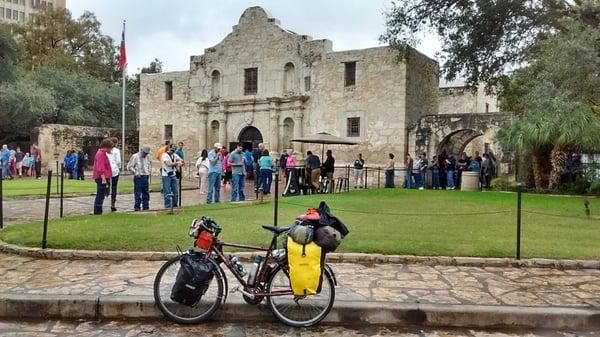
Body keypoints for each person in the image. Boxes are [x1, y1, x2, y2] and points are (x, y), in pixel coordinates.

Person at [92, 139, 114, 215]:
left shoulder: (103, 153)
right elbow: (100, 168)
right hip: (101, 178)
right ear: (106, 147)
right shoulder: (100, 154)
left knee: (102, 195)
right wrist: (104, 179)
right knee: (100, 195)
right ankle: (97, 211)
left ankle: (99, 210)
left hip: (104, 176)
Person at [127, 146, 152, 211]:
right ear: (141, 150)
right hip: (139, 177)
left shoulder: (148, 157)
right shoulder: (135, 156)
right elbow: (130, 166)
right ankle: (137, 207)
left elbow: (149, 165)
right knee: (138, 193)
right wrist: (135, 172)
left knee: (146, 193)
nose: (145, 154)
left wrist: (149, 171)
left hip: (145, 176)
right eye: (144, 153)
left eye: (146, 153)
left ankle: (146, 207)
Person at [161, 144, 183, 208]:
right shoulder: (165, 155)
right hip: (166, 175)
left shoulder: (175, 155)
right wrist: (177, 163)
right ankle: (167, 205)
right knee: (167, 191)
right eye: (172, 150)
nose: (172, 151)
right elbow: (168, 164)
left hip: (173, 174)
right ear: (169, 148)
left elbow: (181, 160)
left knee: (175, 190)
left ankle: (175, 204)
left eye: (174, 150)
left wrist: (180, 162)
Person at [108, 137, 122, 212]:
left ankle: (105, 199)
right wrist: (119, 168)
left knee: (107, 186)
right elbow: (118, 161)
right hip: (114, 170)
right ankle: (112, 203)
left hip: (107, 170)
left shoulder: (106, 150)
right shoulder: (116, 151)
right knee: (114, 187)